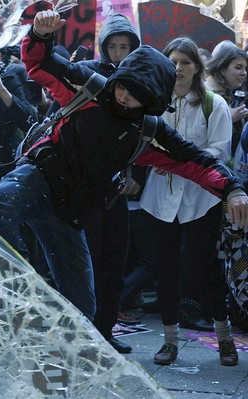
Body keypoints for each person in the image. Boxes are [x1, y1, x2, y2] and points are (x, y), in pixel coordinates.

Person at [0, 10, 248, 328]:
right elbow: (39, 63)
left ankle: (67, 366)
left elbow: (197, 162)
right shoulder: (89, 87)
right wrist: (41, 32)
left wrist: (232, 189)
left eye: (136, 94)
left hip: (71, 213)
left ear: (151, 99)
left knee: (82, 304)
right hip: (36, 177)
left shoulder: (148, 131)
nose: (124, 96)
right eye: (124, 87)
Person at [140, 37, 237, 365]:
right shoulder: (154, 103)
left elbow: (219, 152)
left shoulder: (214, 104)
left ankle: (224, 337)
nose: (178, 68)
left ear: (197, 66)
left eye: (185, 61)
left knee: (205, 268)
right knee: (165, 270)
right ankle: (169, 340)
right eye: (173, 61)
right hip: (159, 199)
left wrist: (172, 161)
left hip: (201, 199)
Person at [72, 12, 142, 353]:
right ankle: (85, 332)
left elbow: (148, 136)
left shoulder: (144, 83)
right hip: (86, 188)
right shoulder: (91, 79)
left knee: (115, 262)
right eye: (112, 46)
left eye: (124, 47)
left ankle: (106, 330)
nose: (118, 53)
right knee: (88, 263)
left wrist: (136, 178)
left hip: (119, 191)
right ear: (103, 48)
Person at [205, 43, 248, 153]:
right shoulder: (206, 94)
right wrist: (229, 118)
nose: (244, 73)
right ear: (223, 69)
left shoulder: (233, 93)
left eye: (245, 68)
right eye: (238, 67)